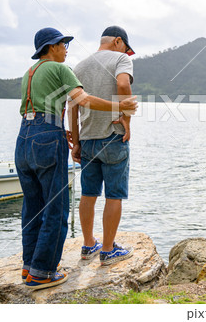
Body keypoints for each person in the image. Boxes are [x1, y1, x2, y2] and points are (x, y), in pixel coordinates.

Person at [15, 27, 137, 290]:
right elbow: (84, 99)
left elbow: (70, 106)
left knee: (33, 207)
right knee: (56, 209)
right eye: (62, 44)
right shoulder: (60, 69)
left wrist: (76, 137)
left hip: (24, 138)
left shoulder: (29, 72)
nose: (66, 49)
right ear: (51, 47)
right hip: (48, 136)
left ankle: (30, 266)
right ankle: (43, 273)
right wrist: (122, 108)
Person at [70, 25, 135, 266]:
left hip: (87, 140)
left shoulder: (80, 66)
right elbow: (122, 86)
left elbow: (73, 106)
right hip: (113, 136)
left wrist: (76, 142)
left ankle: (88, 245)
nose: (127, 54)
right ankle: (108, 250)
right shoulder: (120, 59)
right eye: (127, 49)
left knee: (88, 194)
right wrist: (126, 119)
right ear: (118, 41)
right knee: (114, 195)